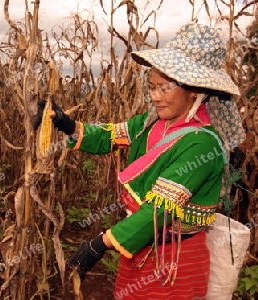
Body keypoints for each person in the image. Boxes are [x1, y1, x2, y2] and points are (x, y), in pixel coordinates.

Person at [35, 23, 246, 299]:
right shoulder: (153, 124)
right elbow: (111, 136)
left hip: (174, 263)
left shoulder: (201, 144)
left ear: (194, 89)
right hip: (142, 248)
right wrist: (68, 125)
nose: (155, 97)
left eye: (164, 89)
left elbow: (160, 209)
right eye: (153, 87)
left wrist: (100, 244)